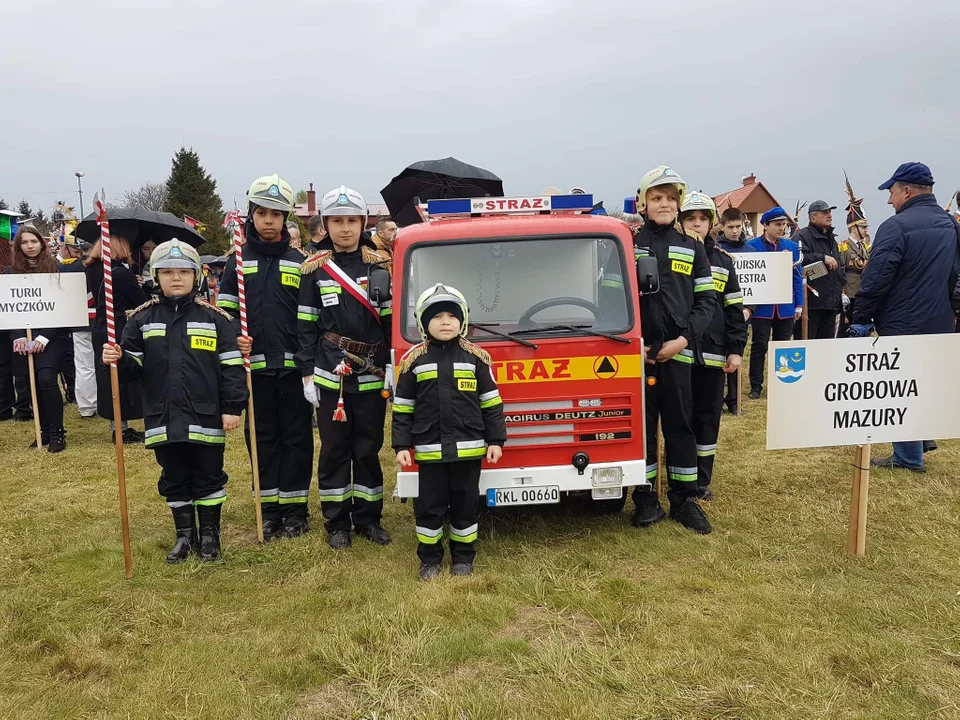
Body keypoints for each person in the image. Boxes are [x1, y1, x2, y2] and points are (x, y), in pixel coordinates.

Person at [102, 240, 248, 562]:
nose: (176, 278)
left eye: (184, 271)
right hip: (162, 414)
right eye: (167, 271)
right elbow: (131, 371)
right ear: (155, 276)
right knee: (174, 475)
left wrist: (232, 407)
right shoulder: (140, 320)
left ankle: (210, 536)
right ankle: (185, 536)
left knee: (209, 474)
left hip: (206, 414)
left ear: (196, 276)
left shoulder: (217, 319)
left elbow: (231, 366)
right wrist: (118, 359)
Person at [217, 175, 315, 540]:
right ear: (251, 216)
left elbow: (309, 319)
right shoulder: (237, 264)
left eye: (276, 214)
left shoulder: (300, 262)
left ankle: (295, 510)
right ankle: (269, 509)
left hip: (292, 367)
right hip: (253, 368)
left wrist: (306, 362)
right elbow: (224, 314)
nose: (269, 220)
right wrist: (234, 339)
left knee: (296, 437)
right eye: (262, 213)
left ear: (286, 217)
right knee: (261, 437)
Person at [297, 185, 393, 550]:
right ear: (326, 224)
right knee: (335, 449)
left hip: (370, 370)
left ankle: (369, 518)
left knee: (368, 447)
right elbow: (305, 324)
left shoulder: (380, 265)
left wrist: (389, 366)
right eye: (337, 221)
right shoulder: (314, 270)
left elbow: (388, 321)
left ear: (362, 222)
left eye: (352, 220)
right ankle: (336, 523)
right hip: (329, 371)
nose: (345, 228)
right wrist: (307, 372)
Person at [850, 162, 960, 473]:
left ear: (907, 191)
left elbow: (877, 277)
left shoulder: (896, 226)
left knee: (901, 387)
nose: (889, 200)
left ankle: (909, 457)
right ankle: (920, 443)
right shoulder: (950, 223)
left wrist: (861, 317)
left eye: (892, 192)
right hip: (941, 320)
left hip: (903, 323)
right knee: (924, 384)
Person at [392, 284, 507, 580]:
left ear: (462, 321)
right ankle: (429, 561)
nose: (446, 322)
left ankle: (463, 560)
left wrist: (495, 440)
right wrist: (402, 446)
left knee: (465, 506)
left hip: (469, 451)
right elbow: (403, 409)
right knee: (429, 507)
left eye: (452, 316)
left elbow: (491, 403)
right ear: (423, 322)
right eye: (437, 316)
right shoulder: (413, 361)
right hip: (429, 452)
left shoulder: (476, 359)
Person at [632, 167, 717, 534]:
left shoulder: (694, 247)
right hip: (637, 356)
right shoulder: (627, 243)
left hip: (679, 353)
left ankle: (684, 500)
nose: (663, 204)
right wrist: (635, 346)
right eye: (656, 198)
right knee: (643, 429)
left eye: (670, 198)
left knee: (681, 427)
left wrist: (683, 341)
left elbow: (706, 303)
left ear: (678, 203)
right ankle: (646, 500)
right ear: (643, 203)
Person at [679, 193, 747, 500]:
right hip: (677, 355)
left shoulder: (722, 261)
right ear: (681, 222)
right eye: (690, 218)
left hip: (714, 354)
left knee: (707, 417)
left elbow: (734, 309)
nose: (697, 224)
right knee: (681, 418)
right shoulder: (672, 256)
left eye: (703, 219)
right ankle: (680, 478)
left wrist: (735, 349)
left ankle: (701, 481)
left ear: (712, 223)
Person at [5, 226, 71, 451]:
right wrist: (19, 336)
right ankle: (42, 431)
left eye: (33, 241)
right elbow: (9, 309)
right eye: (25, 242)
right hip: (24, 338)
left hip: (53, 337)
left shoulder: (56, 269)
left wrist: (44, 337)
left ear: (41, 244)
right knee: (31, 381)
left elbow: (63, 307)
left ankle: (57, 432)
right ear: (19, 246)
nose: (30, 246)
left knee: (46, 379)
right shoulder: (10, 274)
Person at [85, 229, 148, 442]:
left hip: (99, 326)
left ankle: (117, 426)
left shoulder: (92, 270)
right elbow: (140, 301)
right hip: (118, 327)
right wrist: (140, 285)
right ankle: (121, 428)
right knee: (122, 376)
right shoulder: (120, 273)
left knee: (106, 376)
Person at [745, 208, 804, 398]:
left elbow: (797, 277)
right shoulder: (751, 246)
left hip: (785, 306)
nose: (782, 229)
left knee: (783, 347)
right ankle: (756, 385)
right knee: (759, 345)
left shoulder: (791, 246)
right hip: (762, 307)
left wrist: (799, 304)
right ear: (766, 225)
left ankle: (783, 383)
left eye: (784, 225)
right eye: (778, 225)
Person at [714, 207, 755, 412]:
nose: (735, 231)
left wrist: (749, 308)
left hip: (743, 313)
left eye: (738, 226)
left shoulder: (751, 252)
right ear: (722, 226)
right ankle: (717, 398)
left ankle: (734, 400)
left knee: (736, 355)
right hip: (720, 313)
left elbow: (758, 284)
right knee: (719, 357)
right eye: (730, 227)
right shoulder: (715, 251)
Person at [796, 200, 844, 339]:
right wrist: (822, 257)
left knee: (825, 347)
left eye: (830, 212)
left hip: (831, 302)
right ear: (813, 218)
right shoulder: (802, 236)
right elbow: (797, 259)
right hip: (811, 304)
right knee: (807, 344)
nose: (829, 215)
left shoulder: (831, 239)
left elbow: (838, 265)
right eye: (824, 212)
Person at [838, 184, 871, 338]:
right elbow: (840, 272)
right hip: (849, 295)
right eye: (863, 227)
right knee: (845, 332)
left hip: (861, 295)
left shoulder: (865, 248)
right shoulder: (844, 247)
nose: (866, 230)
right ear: (853, 228)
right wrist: (841, 293)